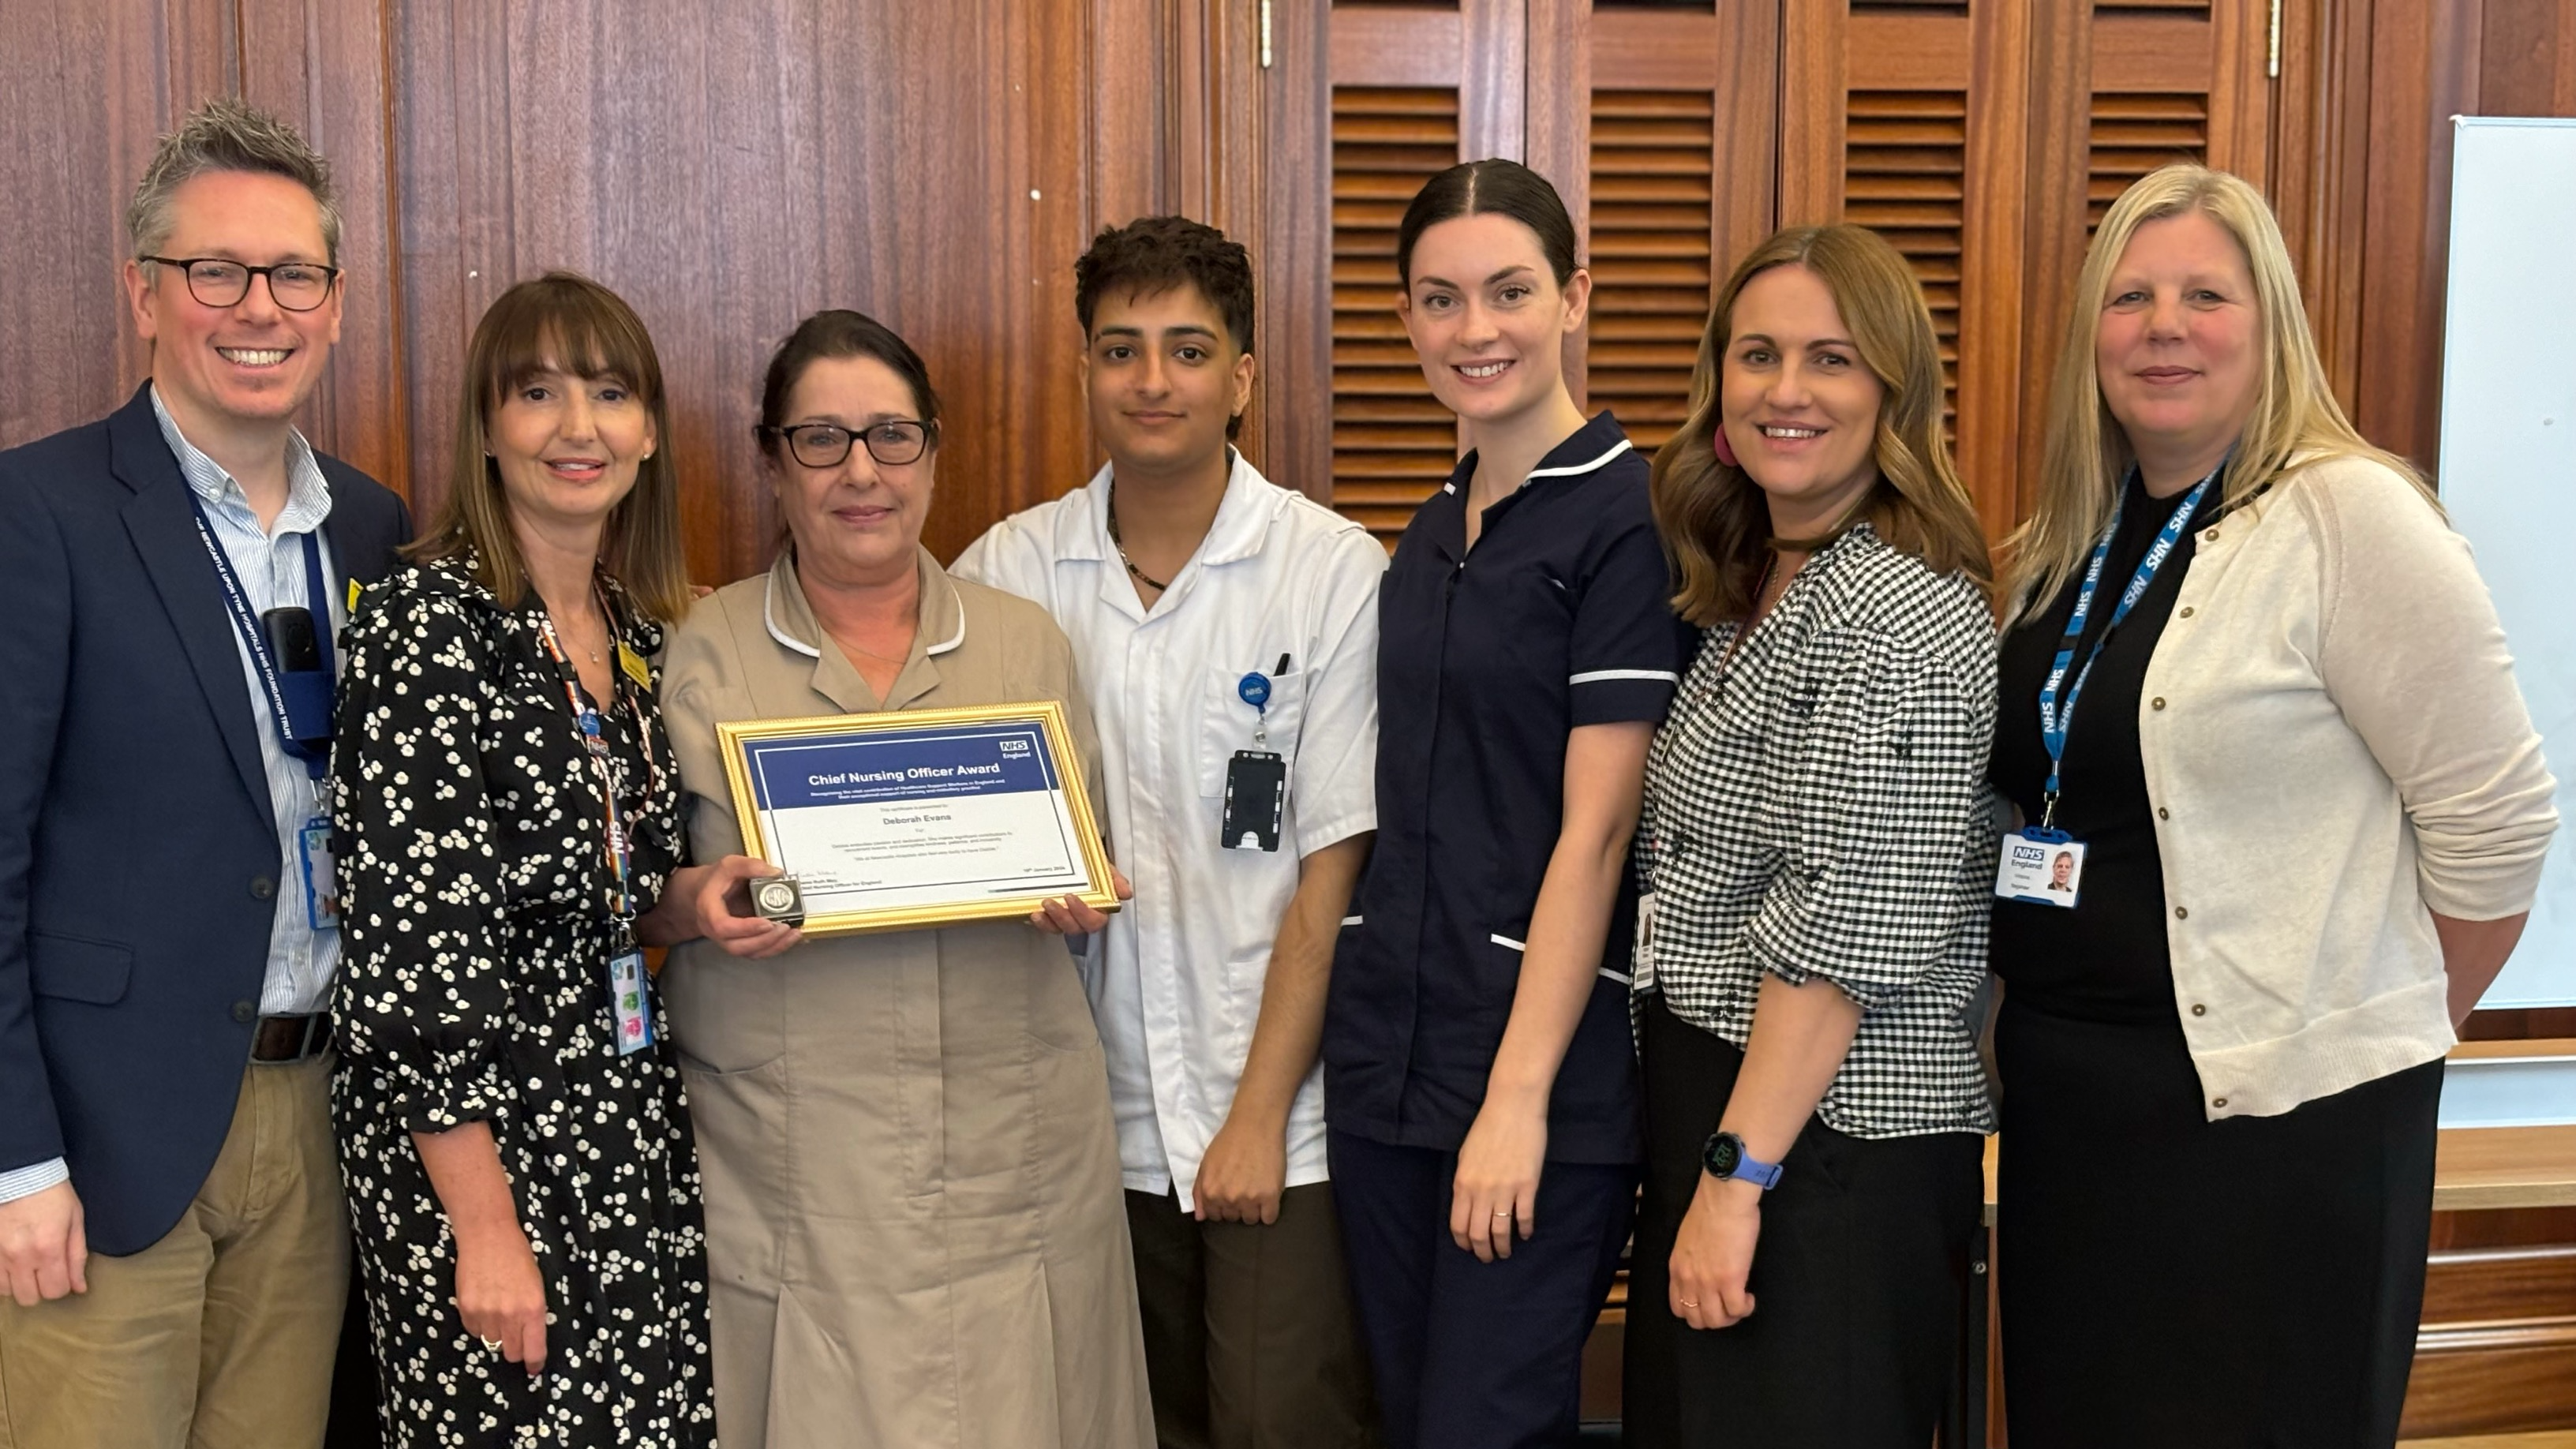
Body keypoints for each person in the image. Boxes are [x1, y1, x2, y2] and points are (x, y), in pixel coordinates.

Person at [1989, 163, 2558, 1447]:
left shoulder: (2350, 517)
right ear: (2093, 333)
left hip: (2285, 1134)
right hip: (2076, 1113)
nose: (2163, 325)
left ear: (2274, 324)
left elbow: (2500, 821)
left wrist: (2364, 1020)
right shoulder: (2064, 541)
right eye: (2130, 297)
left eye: (2205, 294)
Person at [658, 309, 1155, 1447]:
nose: (861, 472)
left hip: (1010, 1156)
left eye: (891, 436)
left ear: (933, 452)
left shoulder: (1026, 644)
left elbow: (1082, 862)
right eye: (821, 439)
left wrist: (1087, 899)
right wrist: (693, 906)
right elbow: (639, 892)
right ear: (772, 460)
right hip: (796, 1164)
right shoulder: (702, 646)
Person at [0, 98, 410, 1449]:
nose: (260, 307)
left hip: (318, 1120)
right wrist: (18, 1165)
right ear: (143, 293)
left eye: (295, 274)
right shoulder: (39, 513)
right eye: (215, 271)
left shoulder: (372, 527)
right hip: (105, 1145)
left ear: (335, 302)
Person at [954, 215, 1386, 1448]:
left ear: (1243, 377)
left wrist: (1254, 1115)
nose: (1153, 381)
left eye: (1189, 351)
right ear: (1084, 368)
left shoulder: (1331, 571)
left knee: (1276, 1419)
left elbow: (1328, 876)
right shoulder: (1008, 572)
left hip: (1275, 1121)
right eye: (1121, 349)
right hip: (1076, 1128)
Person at [1320, 158, 1690, 1449]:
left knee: (1487, 1426)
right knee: (1408, 1423)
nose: (1475, 330)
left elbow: (1598, 835)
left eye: (1510, 292)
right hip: (1388, 1077)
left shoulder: (1628, 524)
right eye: (1440, 299)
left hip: (1537, 1087)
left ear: (1576, 297)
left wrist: (1517, 1102)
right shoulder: (1427, 530)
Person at [1620, 223, 1998, 1448]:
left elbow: (1843, 933)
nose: (1787, 391)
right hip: (1742, 1121)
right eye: (1759, 355)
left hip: (1825, 1158)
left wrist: (1736, 1185)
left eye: (1831, 360)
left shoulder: (1890, 610)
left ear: (1894, 392)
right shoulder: (1760, 583)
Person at [330, 271, 717, 1447]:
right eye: (537, 393)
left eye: (608, 393)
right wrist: (484, 1226)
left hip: (623, 1113)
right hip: (480, 1139)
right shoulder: (427, 622)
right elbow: (414, 954)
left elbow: (609, 883)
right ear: (489, 429)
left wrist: (695, 902)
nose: (577, 427)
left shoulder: (642, 629)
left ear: (649, 431)